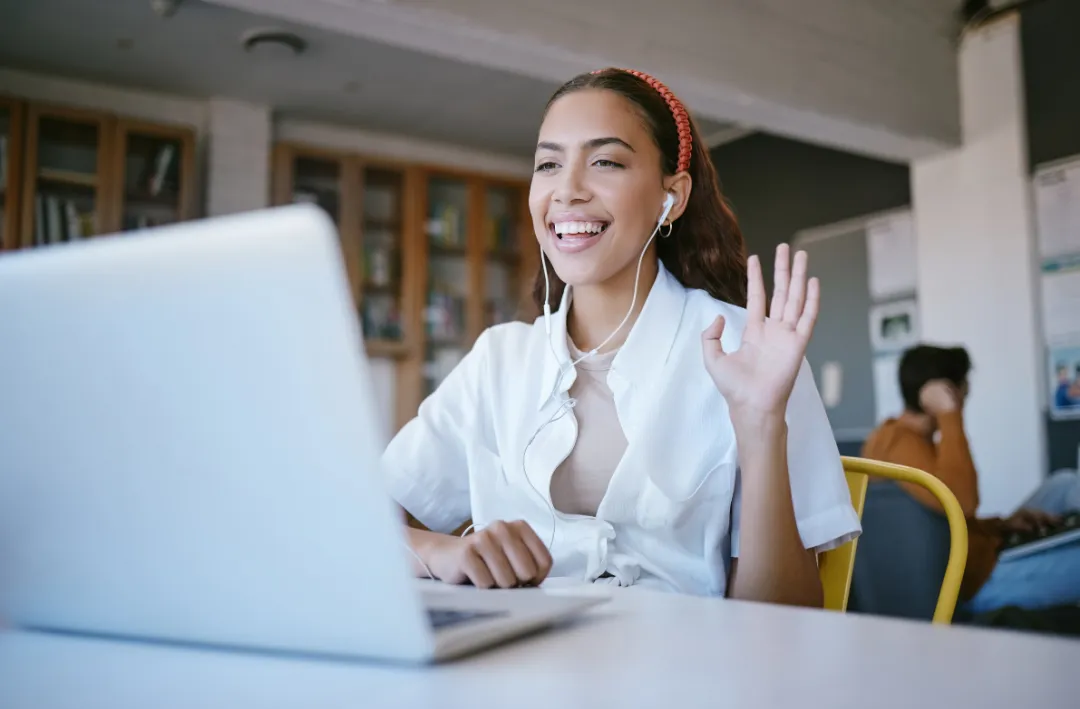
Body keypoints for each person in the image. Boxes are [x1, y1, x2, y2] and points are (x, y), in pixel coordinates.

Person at [380, 68, 861, 604]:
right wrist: (443, 553)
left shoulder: (753, 351)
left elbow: (785, 623)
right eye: (548, 164)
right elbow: (355, 522)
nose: (568, 190)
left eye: (605, 161)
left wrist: (762, 426)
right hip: (516, 672)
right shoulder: (499, 359)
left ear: (671, 197)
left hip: (688, 675)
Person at [862, 344, 1080, 614]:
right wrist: (950, 415)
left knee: (1063, 483)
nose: (967, 395)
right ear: (946, 391)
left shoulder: (900, 439)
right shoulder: (896, 444)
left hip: (976, 556)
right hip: (975, 582)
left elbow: (941, 521)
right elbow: (963, 502)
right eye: (964, 386)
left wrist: (1002, 525)